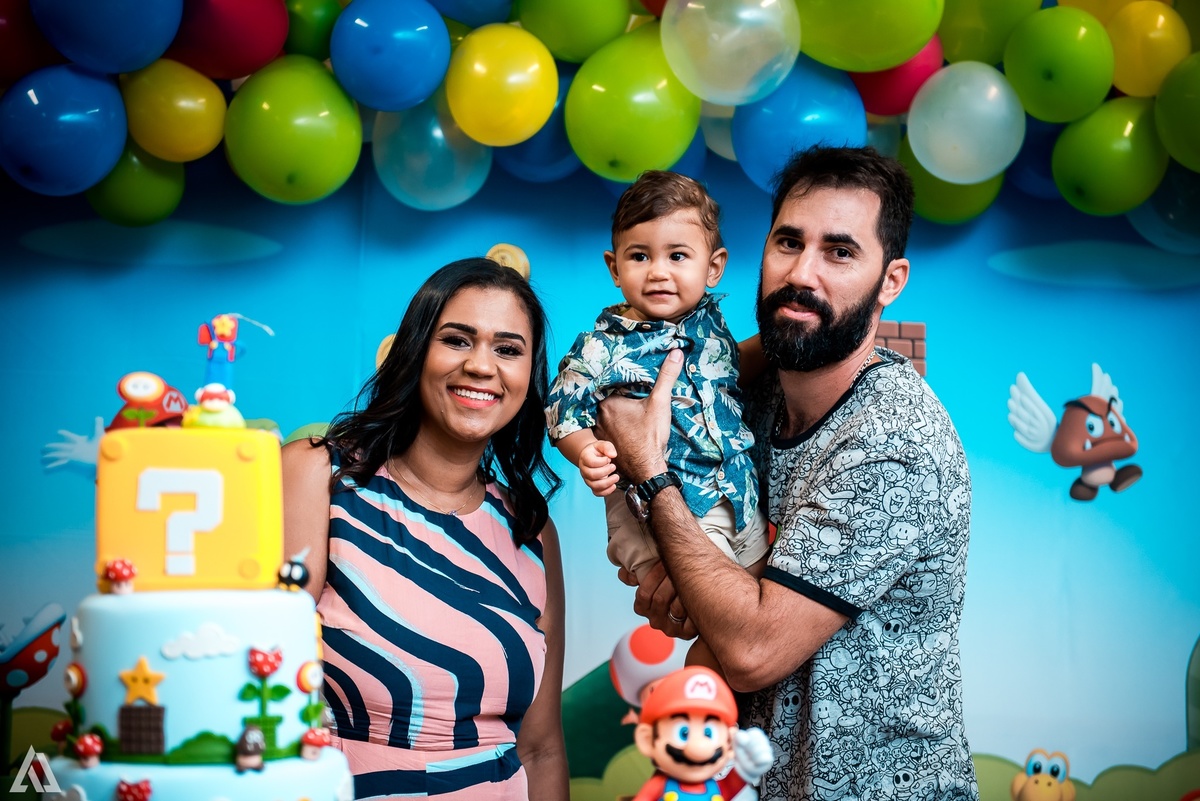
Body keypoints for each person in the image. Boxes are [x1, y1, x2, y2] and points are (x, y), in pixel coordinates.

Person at [595, 146, 978, 800]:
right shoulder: (765, 387)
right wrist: (676, 574)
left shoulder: (892, 437)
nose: (802, 274)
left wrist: (656, 477)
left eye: (840, 251)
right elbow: (628, 394)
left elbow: (751, 649)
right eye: (788, 242)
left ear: (891, 281)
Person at [282, 258, 569, 800]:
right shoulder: (318, 476)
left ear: (528, 376)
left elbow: (540, 747)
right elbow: (259, 681)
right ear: (417, 352)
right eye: (458, 340)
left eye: (508, 349)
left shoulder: (532, 532)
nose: (482, 366)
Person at [544, 171, 769, 667]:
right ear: (614, 266)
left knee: (764, 601)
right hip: (669, 512)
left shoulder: (711, 325)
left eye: (677, 256)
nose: (659, 272)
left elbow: (736, 366)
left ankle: (734, 711)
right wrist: (587, 451)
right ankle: (701, 712)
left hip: (737, 494)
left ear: (714, 268)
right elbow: (563, 403)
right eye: (640, 256)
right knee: (721, 617)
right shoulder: (605, 344)